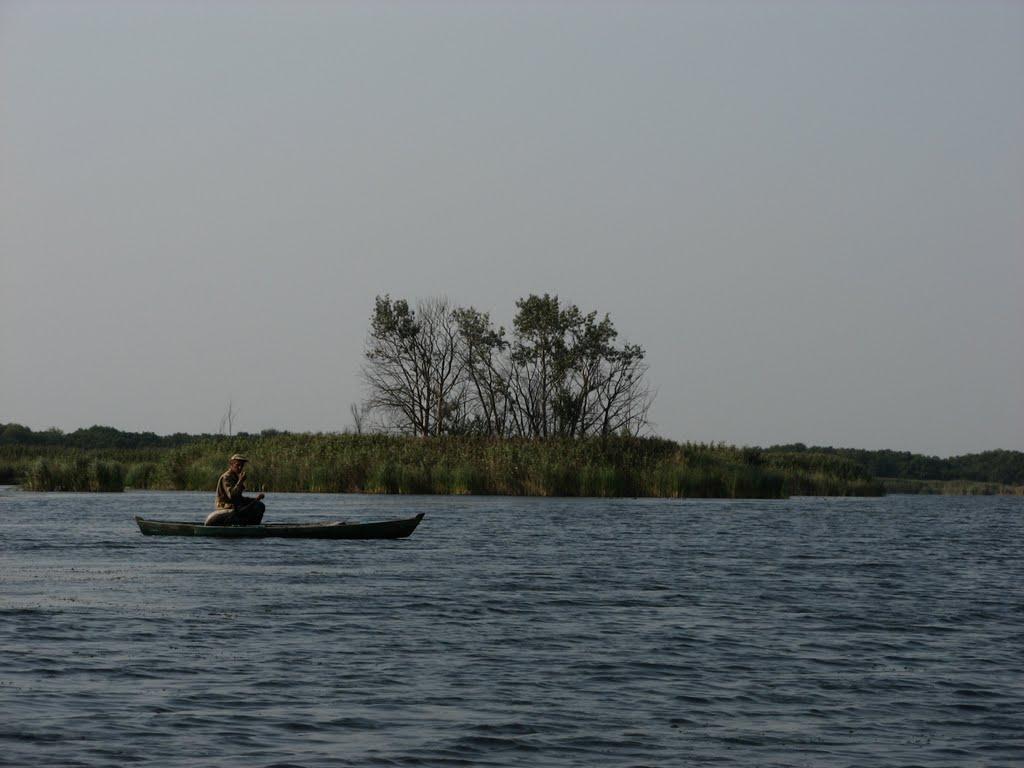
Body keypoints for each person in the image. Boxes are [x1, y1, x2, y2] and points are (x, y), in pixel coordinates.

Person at [205, 454, 266, 526]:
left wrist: (255, 499)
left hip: (236, 505)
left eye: (242, 466)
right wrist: (240, 481)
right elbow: (232, 496)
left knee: (259, 505)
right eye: (238, 465)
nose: (240, 468)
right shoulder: (226, 477)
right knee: (255, 507)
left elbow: (239, 498)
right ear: (231, 464)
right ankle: (249, 526)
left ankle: (252, 526)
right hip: (226, 506)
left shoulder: (235, 476)